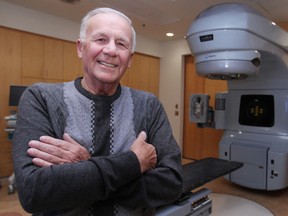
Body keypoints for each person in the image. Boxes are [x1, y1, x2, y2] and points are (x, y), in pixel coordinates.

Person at [12, 7, 183, 216]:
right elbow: (33, 192)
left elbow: (171, 183)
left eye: (121, 44)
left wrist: (86, 166)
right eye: (101, 39)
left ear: (129, 59)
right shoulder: (41, 98)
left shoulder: (149, 105)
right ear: (80, 48)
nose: (111, 50)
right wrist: (133, 163)